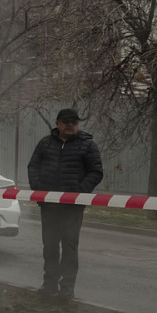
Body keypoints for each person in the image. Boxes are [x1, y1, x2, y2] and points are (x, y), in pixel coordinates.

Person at [27, 108, 104, 301]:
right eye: (66, 121)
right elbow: (33, 166)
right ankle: (49, 284)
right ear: (58, 123)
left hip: (72, 208)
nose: (70, 125)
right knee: (50, 247)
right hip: (49, 206)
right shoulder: (45, 143)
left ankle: (67, 288)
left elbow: (96, 172)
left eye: (74, 122)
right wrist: (38, 189)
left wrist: (79, 192)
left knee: (69, 247)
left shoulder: (87, 145)